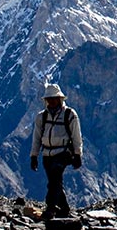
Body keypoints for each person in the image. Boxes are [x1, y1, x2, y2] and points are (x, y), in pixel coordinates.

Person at [29, 84, 83, 220]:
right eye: (49, 99)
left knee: (55, 179)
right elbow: (36, 137)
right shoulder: (41, 117)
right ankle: (64, 209)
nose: (52, 102)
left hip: (63, 153)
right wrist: (33, 156)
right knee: (54, 181)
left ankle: (50, 209)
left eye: (54, 99)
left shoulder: (70, 115)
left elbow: (77, 136)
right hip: (47, 154)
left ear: (60, 99)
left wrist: (78, 154)